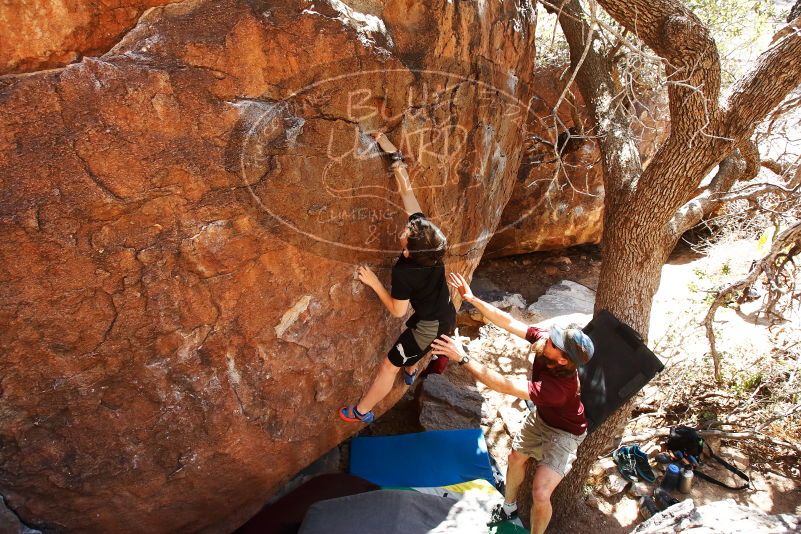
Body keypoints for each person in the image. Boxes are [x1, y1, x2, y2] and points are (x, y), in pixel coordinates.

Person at [430, 273, 594, 534]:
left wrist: (463, 359)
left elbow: (504, 385)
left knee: (540, 493)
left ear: (563, 359)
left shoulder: (559, 389)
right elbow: (508, 322)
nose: (546, 338)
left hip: (565, 432)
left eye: (554, 342)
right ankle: (509, 506)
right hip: (542, 418)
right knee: (516, 457)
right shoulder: (546, 344)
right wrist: (472, 298)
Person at [339, 132, 456, 424]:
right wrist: (390, 149)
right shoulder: (427, 242)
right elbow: (406, 190)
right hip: (445, 312)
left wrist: (375, 283)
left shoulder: (405, 271)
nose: (406, 229)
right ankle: (413, 368)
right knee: (420, 348)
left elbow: (398, 311)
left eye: (408, 235)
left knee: (388, 367)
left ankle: (361, 412)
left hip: (428, 327)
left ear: (410, 252)